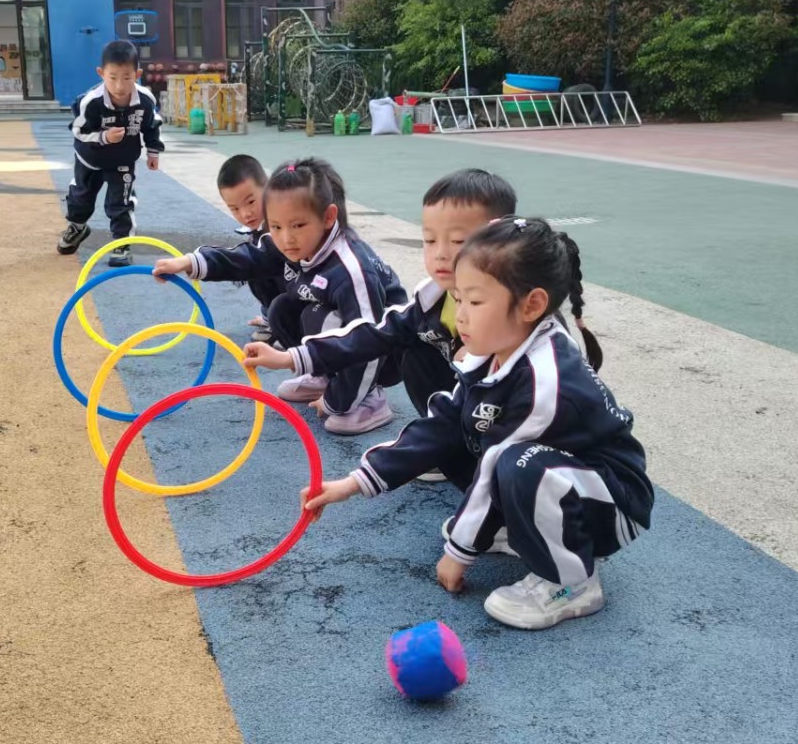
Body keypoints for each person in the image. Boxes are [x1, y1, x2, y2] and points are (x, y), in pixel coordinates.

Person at [303, 217, 652, 630]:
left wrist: (459, 552)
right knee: (463, 431)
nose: (461, 317)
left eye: (475, 302)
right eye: (457, 299)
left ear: (531, 305)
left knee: (517, 462)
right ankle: (516, 530)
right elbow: (443, 423)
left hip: (612, 502)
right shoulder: (495, 349)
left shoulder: (546, 379)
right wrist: (354, 482)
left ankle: (573, 581)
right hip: (565, 478)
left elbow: (494, 464)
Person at [153, 158, 408, 436]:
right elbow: (248, 257)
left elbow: (369, 341)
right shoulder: (293, 243)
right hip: (347, 334)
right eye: (276, 226)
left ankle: (369, 398)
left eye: (298, 225)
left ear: (328, 217)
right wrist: (189, 262)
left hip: (386, 353)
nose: (286, 238)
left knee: (320, 317)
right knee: (282, 309)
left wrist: (336, 401)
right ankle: (326, 376)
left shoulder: (351, 270)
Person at [243, 168, 518, 421]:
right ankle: (446, 431)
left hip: (514, 425)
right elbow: (373, 335)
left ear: (497, 234)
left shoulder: (518, 308)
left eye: (458, 241)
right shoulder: (432, 297)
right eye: (430, 240)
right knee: (417, 353)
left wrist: (484, 358)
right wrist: (290, 357)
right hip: (470, 408)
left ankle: (453, 435)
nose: (441, 254)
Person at [58, 39, 164, 267]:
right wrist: (104, 137)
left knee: (121, 202)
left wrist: (153, 152)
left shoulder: (145, 100)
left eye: (126, 78)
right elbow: (78, 131)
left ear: (137, 74)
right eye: (112, 77)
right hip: (89, 159)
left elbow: (152, 126)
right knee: (80, 198)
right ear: (101, 73)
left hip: (123, 161)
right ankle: (77, 227)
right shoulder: (91, 102)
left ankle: (121, 244)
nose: (119, 86)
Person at [216, 154, 282, 344]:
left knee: (257, 266)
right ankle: (271, 316)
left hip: (306, 296)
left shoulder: (281, 224)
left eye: (251, 202)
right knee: (255, 270)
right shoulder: (259, 228)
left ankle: (283, 325)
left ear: (267, 188)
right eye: (234, 208)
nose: (245, 214)